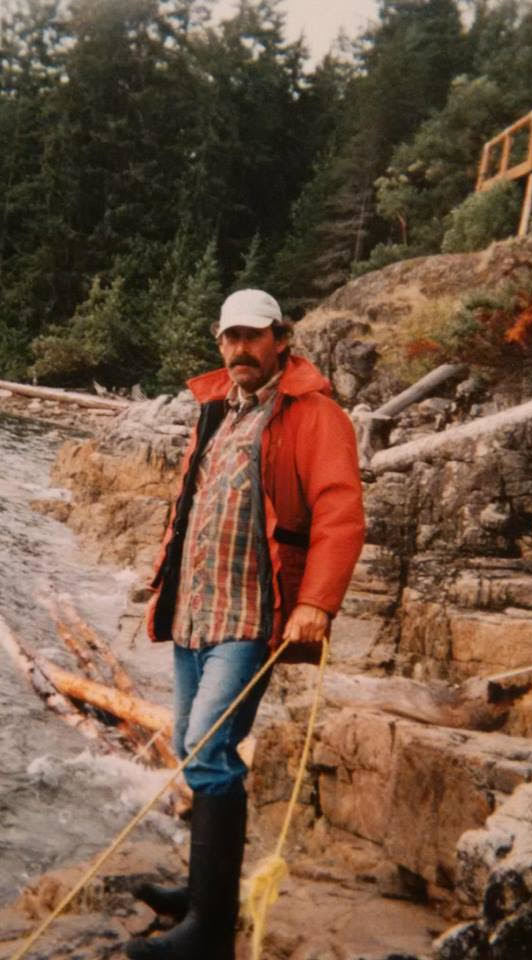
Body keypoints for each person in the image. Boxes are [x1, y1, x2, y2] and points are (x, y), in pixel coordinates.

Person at [126, 289, 364, 960]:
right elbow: (192, 505)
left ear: (279, 339)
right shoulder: (217, 411)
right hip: (195, 614)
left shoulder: (314, 415)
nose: (239, 350)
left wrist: (317, 601)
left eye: (252, 337)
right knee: (190, 745)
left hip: (252, 616)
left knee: (207, 749)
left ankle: (208, 931)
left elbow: (341, 511)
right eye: (229, 338)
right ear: (219, 342)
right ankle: (205, 896)